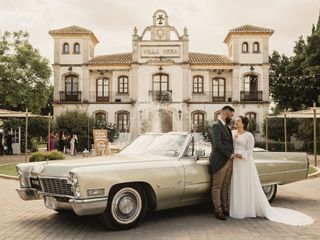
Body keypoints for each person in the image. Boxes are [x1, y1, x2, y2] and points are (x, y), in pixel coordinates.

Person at [230, 116, 314, 226]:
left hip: (243, 163)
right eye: (236, 120)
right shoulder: (232, 132)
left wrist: (241, 155)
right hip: (233, 162)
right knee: (236, 184)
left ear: (243, 124)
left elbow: (250, 150)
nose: (235, 122)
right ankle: (237, 208)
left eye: (238, 121)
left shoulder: (248, 135)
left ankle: (246, 209)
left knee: (245, 184)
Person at [209, 105, 235, 220]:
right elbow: (218, 145)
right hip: (219, 160)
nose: (232, 118)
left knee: (225, 186)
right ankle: (218, 210)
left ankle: (225, 208)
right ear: (226, 114)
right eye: (231, 115)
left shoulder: (227, 127)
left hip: (229, 160)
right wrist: (230, 155)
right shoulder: (216, 126)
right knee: (217, 186)